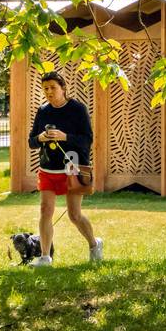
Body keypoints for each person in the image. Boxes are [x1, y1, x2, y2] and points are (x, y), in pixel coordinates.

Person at [27, 71, 103, 266]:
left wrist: (64, 136)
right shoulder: (43, 111)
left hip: (73, 168)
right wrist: (41, 138)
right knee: (45, 210)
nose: (49, 92)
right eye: (45, 88)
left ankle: (94, 245)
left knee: (74, 215)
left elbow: (87, 140)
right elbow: (31, 142)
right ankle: (45, 257)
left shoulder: (77, 109)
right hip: (48, 169)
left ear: (63, 88)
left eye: (53, 87)